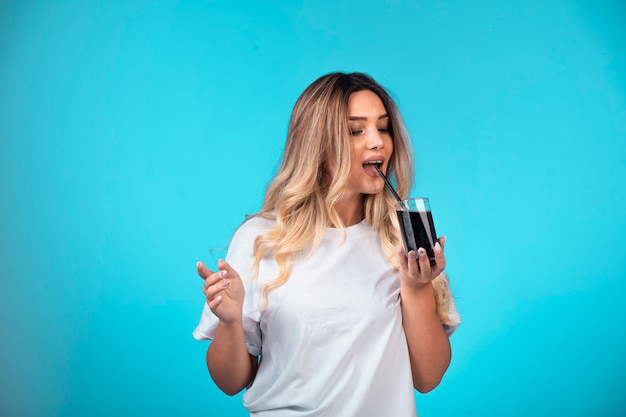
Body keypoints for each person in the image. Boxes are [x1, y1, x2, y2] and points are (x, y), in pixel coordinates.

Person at [193, 72, 461, 416]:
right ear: (318, 144)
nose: (378, 141)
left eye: (383, 127)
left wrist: (417, 286)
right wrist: (230, 323)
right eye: (356, 130)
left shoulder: (401, 239)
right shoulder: (261, 239)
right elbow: (230, 382)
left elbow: (428, 376)